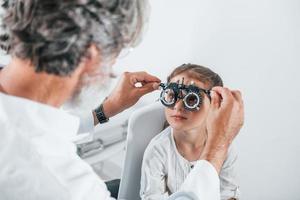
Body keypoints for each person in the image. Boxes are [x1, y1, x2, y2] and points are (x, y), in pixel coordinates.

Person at [0, 0, 244, 200]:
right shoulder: (64, 185)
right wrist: (217, 146)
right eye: (118, 53)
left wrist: (104, 110)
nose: (114, 69)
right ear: (91, 53)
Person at [140, 64, 240, 200]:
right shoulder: (158, 150)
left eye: (192, 99)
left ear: (215, 104)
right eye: (171, 95)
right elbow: (151, 197)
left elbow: (228, 195)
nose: (177, 106)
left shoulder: (224, 149)